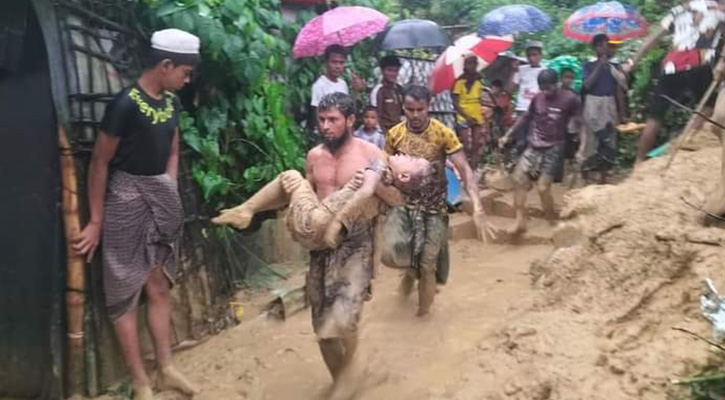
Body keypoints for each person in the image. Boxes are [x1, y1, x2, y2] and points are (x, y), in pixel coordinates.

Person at [72, 29, 200, 400]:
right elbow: (99, 163)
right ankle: (141, 382)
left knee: (158, 285)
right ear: (165, 65)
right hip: (125, 201)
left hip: (160, 199)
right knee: (125, 291)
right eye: (185, 72)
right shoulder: (124, 105)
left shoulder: (171, 104)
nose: (186, 79)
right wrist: (96, 221)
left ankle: (166, 369)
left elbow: (173, 149)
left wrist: (169, 187)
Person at [382, 85, 496, 317]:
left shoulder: (443, 133)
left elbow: (464, 169)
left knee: (427, 265)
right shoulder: (394, 134)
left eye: (419, 109)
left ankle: (423, 315)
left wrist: (478, 207)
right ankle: (409, 279)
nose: (414, 114)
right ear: (403, 107)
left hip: (434, 209)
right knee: (391, 254)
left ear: (429, 108)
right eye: (409, 109)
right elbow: (385, 165)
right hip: (403, 206)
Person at [623, 0, 725, 163]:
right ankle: (688, 138)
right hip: (699, 63)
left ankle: (638, 161)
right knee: (708, 106)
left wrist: (632, 61)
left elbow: (653, 38)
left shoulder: (678, 11)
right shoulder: (718, 10)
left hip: (671, 66)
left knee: (655, 117)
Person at [499, 70, 581, 234]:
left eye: (548, 88)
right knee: (519, 180)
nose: (545, 91)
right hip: (534, 145)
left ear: (557, 83)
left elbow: (581, 122)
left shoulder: (570, 99)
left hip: (555, 147)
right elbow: (525, 118)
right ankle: (520, 221)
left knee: (543, 188)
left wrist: (581, 147)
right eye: (542, 88)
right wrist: (508, 135)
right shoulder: (537, 98)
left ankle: (553, 223)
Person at [580, 34, 627, 183]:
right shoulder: (588, 65)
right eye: (603, 45)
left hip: (609, 104)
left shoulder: (614, 67)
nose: (606, 48)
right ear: (596, 48)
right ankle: (587, 175)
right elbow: (586, 86)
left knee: (609, 140)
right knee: (592, 141)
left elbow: (620, 90)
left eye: (607, 45)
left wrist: (622, 113)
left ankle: (604, 176)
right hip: (593, 104)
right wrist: (601, 65)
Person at [309, 45, 364, 134]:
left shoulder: (343, 84)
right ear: (326, 63)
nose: (338, 66)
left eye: (341, 63)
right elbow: (317, 114)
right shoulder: (319, 85)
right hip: (328, 133)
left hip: (342, 132)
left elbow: (348, 108)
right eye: (334, 62)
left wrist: (355, 90)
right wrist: (324, 133)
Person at [509, 41, 546, 160]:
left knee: (536, 140)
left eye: (535, 54)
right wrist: (514, 71)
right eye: (529, 55)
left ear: (540, 55)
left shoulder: (545, 71)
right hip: (522, 109)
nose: (532, 58)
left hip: (538, 111)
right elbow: (509, 89)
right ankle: (520, 166)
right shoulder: (521, 70)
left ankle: (533, 167)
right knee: (521, 141)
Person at [452, 56, 487, 171]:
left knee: (476, 144)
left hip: (476, 116)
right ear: (465, 66)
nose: (472, 66)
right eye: (469, 64)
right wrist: (467, 116)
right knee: (466, 145)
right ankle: (464, 168)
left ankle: (474, 169)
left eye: (474, 64)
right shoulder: (459, 82)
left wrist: (482, 115)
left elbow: (479, 100)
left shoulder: (478, 82)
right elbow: (456, 103)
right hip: (463, 117)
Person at [370, 55, 405, 133]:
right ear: (382, 71)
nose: (392, 73)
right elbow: (374, 114)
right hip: (383, 133)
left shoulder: (399, 89)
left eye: (395, 70)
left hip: (398, 132)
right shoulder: (378, 90)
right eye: (389, 70)